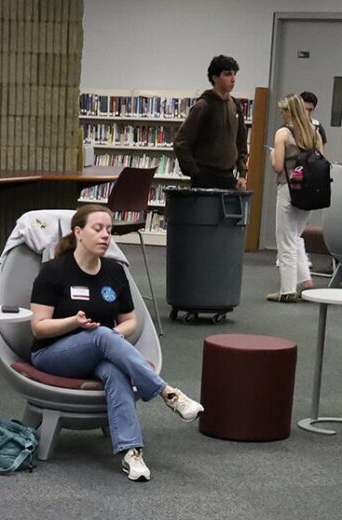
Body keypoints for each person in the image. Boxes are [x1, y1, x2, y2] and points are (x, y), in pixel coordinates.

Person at [29, 203, 203, 482]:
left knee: (114, 369)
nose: (105, 236)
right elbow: (38, 328)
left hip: (99, 351)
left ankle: (132, 452)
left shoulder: (114, 271)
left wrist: (112, 339)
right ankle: (168, 394)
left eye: (109, 230)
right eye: (97, 229)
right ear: (78, 232)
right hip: (53, 354)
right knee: (101, 336)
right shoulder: (54, 271)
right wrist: (75, 323)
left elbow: (130, 321)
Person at [268, 94, 322, 304]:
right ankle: (305, 280)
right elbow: (321, 159)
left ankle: (287, 290)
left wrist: (273, 155)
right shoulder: (314, 132)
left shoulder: (283, 133)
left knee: (285, 239)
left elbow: (278, 167)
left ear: (289, 111)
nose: (280, 114)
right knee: (296, 236)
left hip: (288, 188)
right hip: (308, 190)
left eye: (282, 110)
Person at [172, 54, 248, 190]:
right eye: (227, 74)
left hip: (228, 177)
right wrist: (194, 172)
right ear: (215, 77)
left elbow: (241, 142)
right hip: (205, 177)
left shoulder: (235, 105)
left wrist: (242, 173)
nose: (233, 79)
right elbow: (181, 142)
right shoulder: (204, 105)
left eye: (234, 74)